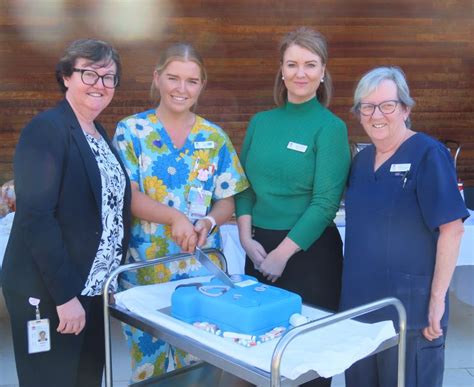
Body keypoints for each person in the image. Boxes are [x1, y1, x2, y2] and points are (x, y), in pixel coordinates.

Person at [113, 42, 249, 383]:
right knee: (150, 369)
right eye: (173, 78)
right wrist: (175, 218)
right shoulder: (132, 132)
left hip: (200, 274)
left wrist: (207, 220)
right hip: (145, 273)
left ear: (202, 84)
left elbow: (227, 199)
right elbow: (126, 195)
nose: (181, 89)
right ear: (157, 78)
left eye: (192, 81)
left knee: (200, 366)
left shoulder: (213, 137)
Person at [1, 39, 131, 387]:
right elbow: (36, 217)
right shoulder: (46, 130)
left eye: (109, 77)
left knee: (85, 379)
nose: (100, 85)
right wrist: (65, 296)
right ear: (66, 77)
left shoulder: (96, 131)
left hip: (91, 290)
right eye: (89, 73)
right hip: (51, 293)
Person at [235, 27, 351, 387]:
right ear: (281, 70)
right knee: (259, 357)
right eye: (292, 64)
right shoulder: (260, 123)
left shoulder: (330, 128)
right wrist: (244, 239)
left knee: (307, 364)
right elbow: (243, 187)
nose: (301, 73)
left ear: (322, 71)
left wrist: (281, 255)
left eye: (310, 65)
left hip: (309, 255)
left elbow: (325, 203)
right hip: (256, 251)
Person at [340, 66, 469, 387]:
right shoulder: (361, 161)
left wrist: (438, 299)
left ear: (406, 109)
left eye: (387, 105)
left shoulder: (428, 155)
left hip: (410, 310)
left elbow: (452, 229)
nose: (376, 114)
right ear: (358, 113)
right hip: (360, 307)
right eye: (366, 107)